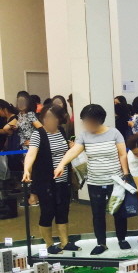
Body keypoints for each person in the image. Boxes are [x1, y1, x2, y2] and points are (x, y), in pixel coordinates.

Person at [55, 104, 130, 255]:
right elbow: (74, 151)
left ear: (98, 120)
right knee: (97, 213)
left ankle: (122, 239)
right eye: (84, 121)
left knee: (118, 211)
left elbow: (122, 154)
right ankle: (101, 243)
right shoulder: (84, 136)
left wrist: (126, 174)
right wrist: (61, 164)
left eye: (88, 121)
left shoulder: (114, 133)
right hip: (95, 181)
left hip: (115, 180)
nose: (86, 124)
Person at [22, 105, 78, 253]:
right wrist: (27, 169)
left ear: (59, 119)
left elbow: (66, 152)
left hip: (63, 180)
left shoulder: (61, 131)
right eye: (46, 117)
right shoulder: (38, 134)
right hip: (45, 181)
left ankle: (64, 242)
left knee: (63, 210)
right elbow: (31, 154)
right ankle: (49, 244)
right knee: (48, 211)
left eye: (52, 117)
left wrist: (71, 147)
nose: (49, 120)